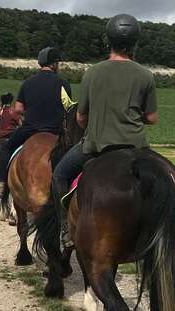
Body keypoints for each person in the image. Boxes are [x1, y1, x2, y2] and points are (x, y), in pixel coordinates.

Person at [52, 14, 160, 251]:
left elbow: (80, 117)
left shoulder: (92, 73)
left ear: (108, 41)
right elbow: (152, 118)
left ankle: (64, 230)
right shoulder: (145, 75)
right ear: (135, 42)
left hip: (95, 146)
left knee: (59, 174)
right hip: (136, 147)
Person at [0, 47, 72, 197]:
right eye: (58, 63)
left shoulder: (28, 83)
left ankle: (1, 182)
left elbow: (17, 109)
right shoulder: (64, 84)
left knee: (7, 149)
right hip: (55, 131)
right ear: (54, 64)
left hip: (31, 129)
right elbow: (68, 109)